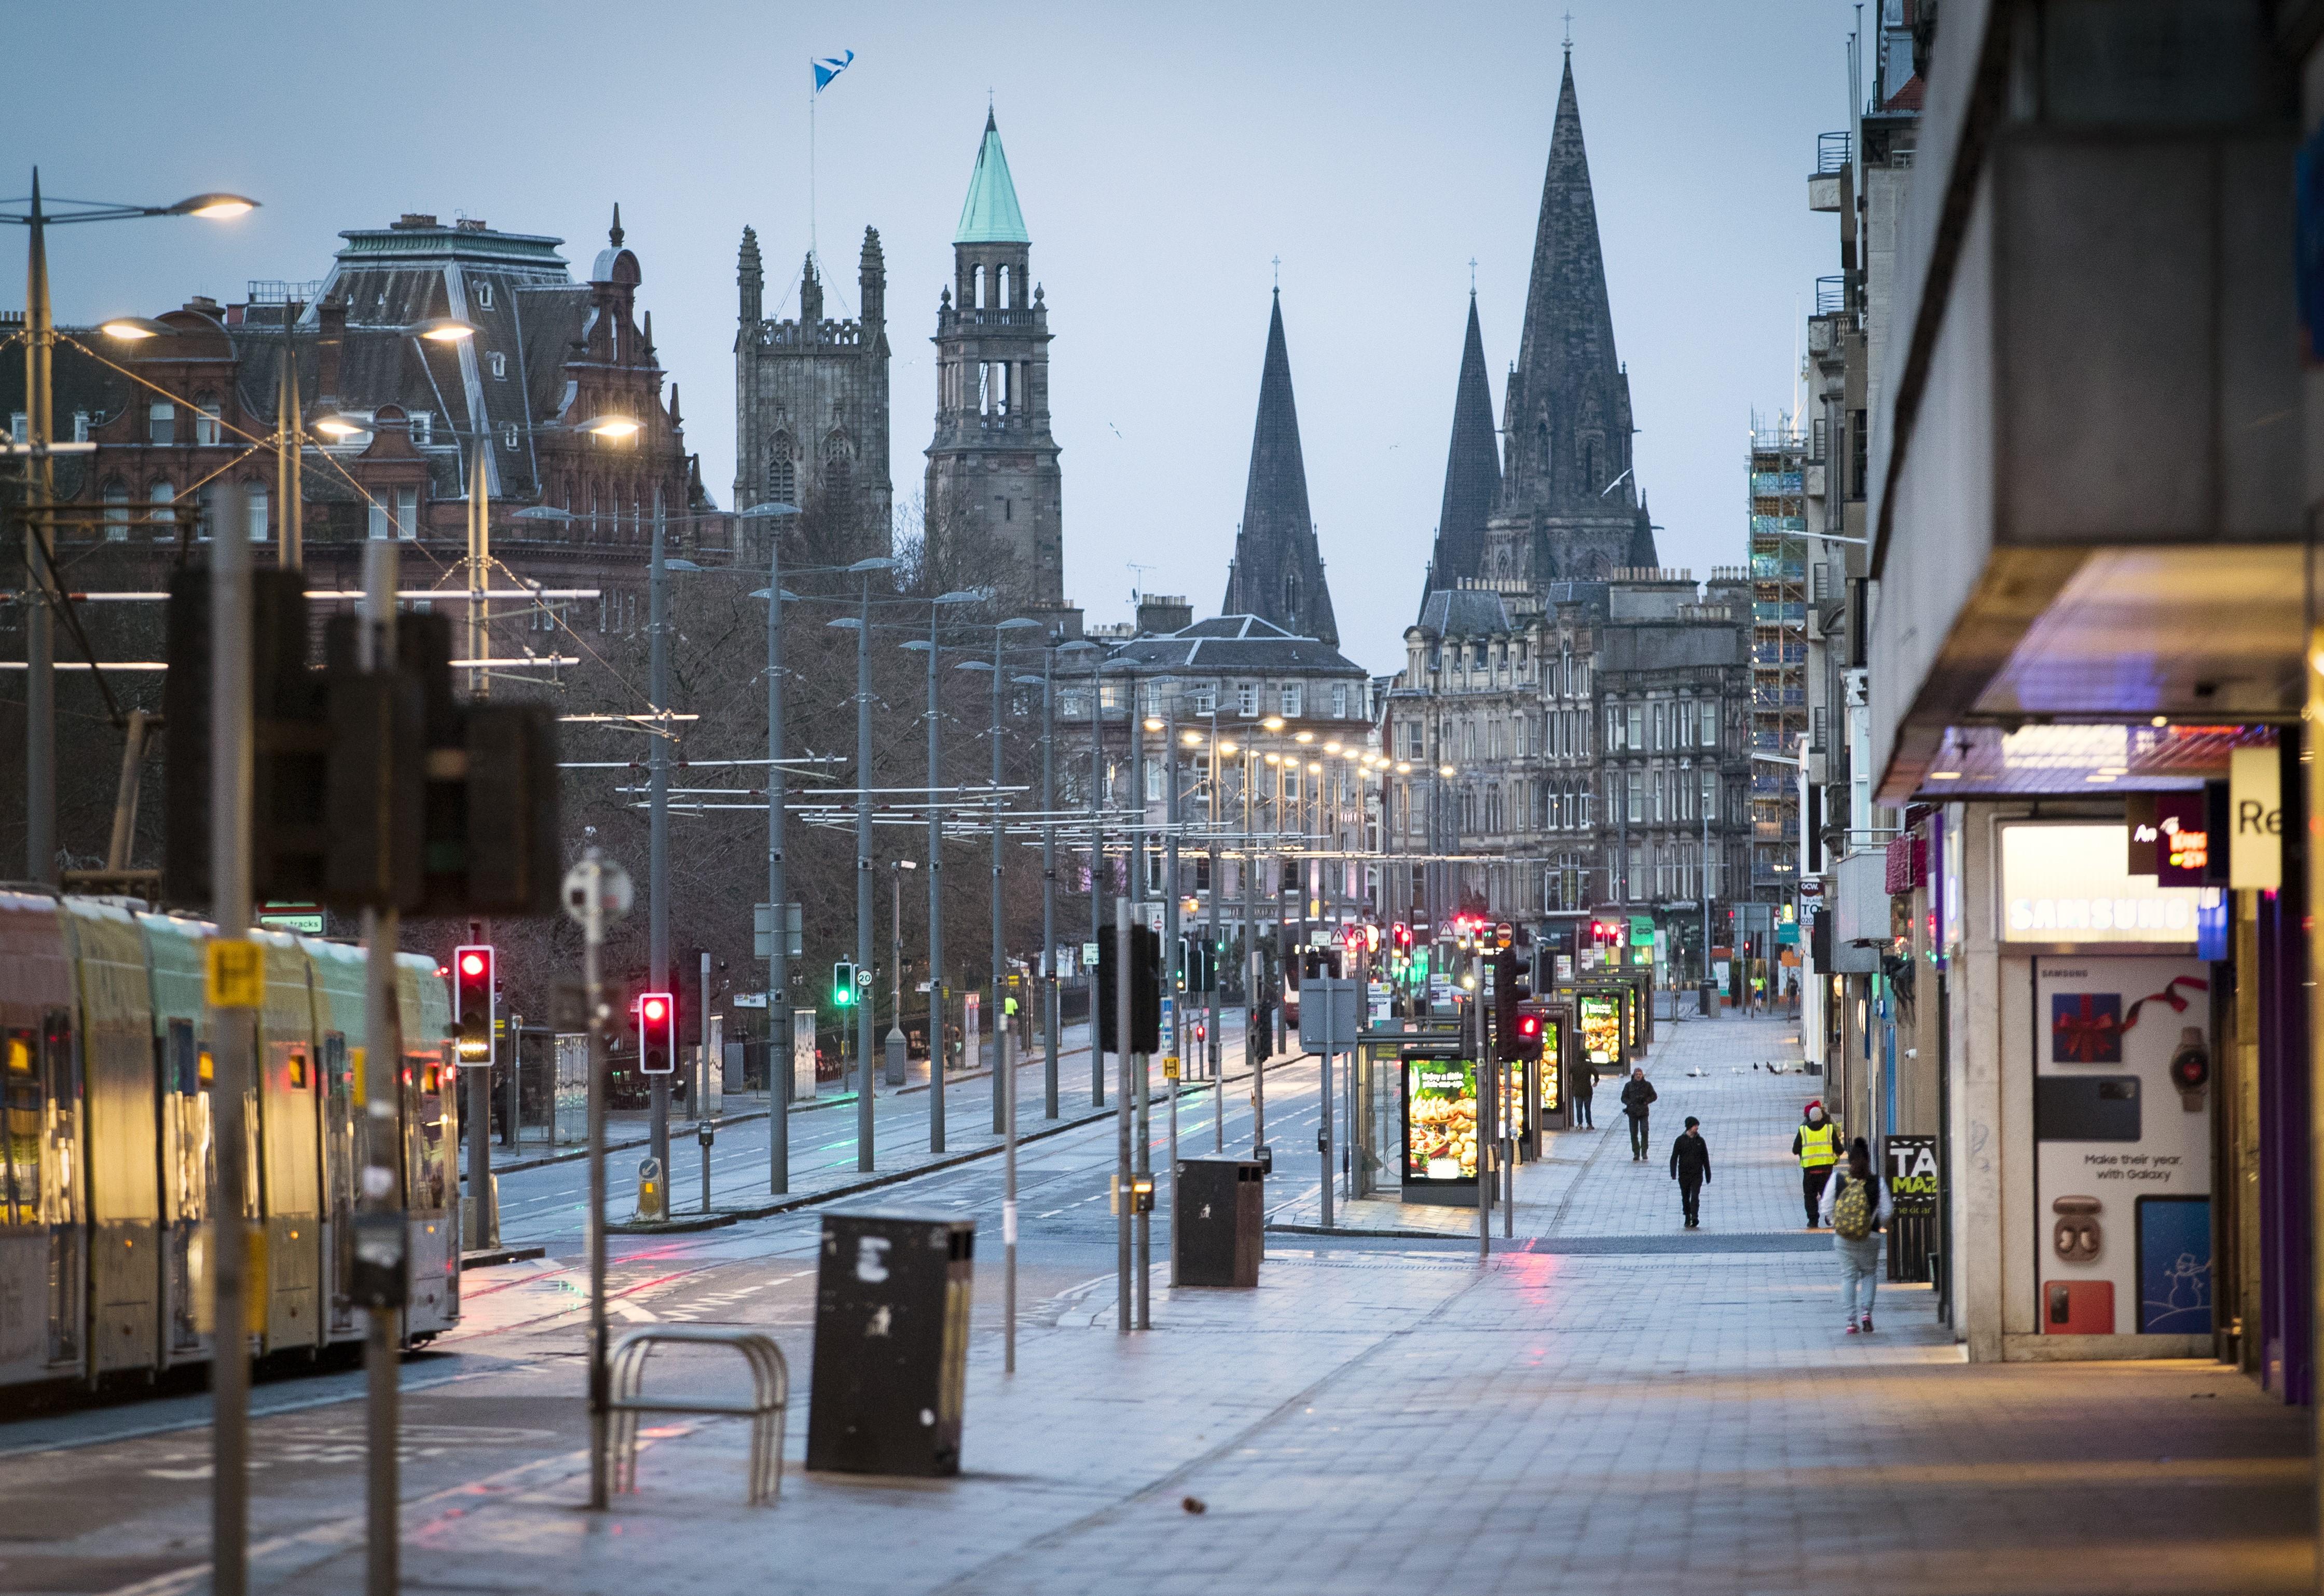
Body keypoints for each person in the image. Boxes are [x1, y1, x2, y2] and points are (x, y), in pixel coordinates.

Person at [1820, 1136, 1894, 1333]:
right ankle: (1866, 1313)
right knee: (1869, 1273)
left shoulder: (1837, 1180)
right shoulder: (1877, 1183)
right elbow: (1887, 1210)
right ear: (1868, 1161)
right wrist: (1876, 1223)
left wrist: (1839, 1224)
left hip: (1844, 1239)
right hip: (1871, 1237)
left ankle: (1851, 1321)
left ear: (1849, 1161)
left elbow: (1826, 1207)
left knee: (1849, 1277)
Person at [1793, 1100, 1841, 1228]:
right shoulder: (1829, 1129)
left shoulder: (1803, 1130)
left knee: (1810, 1196)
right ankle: (1830, 1218)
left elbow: (1795, 1150)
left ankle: (1813, 1220)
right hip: (1826, 1170)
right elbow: (1840, 1149)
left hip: (1809, 1171)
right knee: (1827, 1194)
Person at [1668, 1115, 1711, 1227]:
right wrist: (1673, 1173)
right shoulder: (1680, 1141)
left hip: (1697, 1174)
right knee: (1686, 1196)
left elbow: (1705, 1158)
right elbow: (1674, 1157)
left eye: (1697, 1126)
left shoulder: (1700, 1141)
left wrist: (1708, 1173)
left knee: (1695, 1196)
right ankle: (1688, 1216)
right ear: (1689, 1127)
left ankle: (1695, 1216)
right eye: (1695, 1126)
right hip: (1684, 1174)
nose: (1697, 1128)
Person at [1619, 1067, 1658, 1161]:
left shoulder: (1647, 1085)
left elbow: (1654, 1096)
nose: (1638, 1076)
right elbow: (1623, 1098)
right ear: (1634, 1075)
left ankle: (1644, 1151)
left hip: (1644, 1112)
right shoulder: (1629, 1085)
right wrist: (1630, 1103)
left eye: (1640, 1074)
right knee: (1634, 1132)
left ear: (1642, 1075)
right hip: (1632, 1112)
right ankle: (1636, 1152)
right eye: (1637, 1075)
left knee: (1644, 1131)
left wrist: (1646, 1101)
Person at [1570, 1060, 1596, 1128]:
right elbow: (1596, 1073)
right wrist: (1596, 1081)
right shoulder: (1589, 1065)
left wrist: (1571, 1083)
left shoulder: (1574, 1065)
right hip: (1587, 1090)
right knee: (1588, 1108)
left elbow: (1568, 1073)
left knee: (1579, 1108)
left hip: (1578, 1090)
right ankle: (1589, 1124)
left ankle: (1580, 1124)